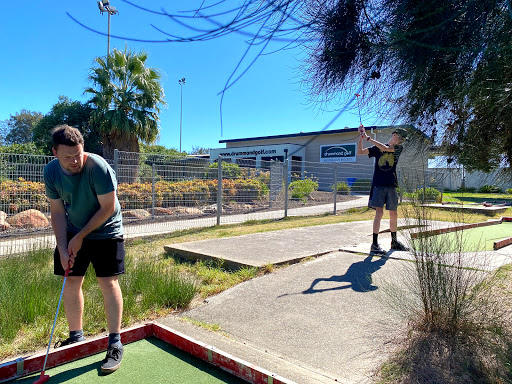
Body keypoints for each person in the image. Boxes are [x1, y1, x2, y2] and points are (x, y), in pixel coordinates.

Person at [44, 125, 125, 374]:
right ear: (55, 153)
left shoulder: (98, 167)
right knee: (71, 282)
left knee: (107, 283)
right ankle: (76, 336)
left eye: (78, 154)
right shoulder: (51, 172)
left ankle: (115, 342)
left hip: (107, 230)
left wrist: (79, 237)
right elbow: (57, 211)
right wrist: (63, 245)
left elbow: (107, 208)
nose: (74, 161)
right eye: (67, 157)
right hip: (72, 230)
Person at [356, 124, 408, 255]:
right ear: (395, 135)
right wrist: (361, 137)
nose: (401, 141)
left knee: (393, 213)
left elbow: (386, 148)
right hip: (378, 184)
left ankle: (394, 242)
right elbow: (360, 152)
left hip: (391, 184)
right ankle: (374, 244)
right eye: (400, 138)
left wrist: (369, 138)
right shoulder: (376, 148)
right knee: (379, 213)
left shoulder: (398, 148)